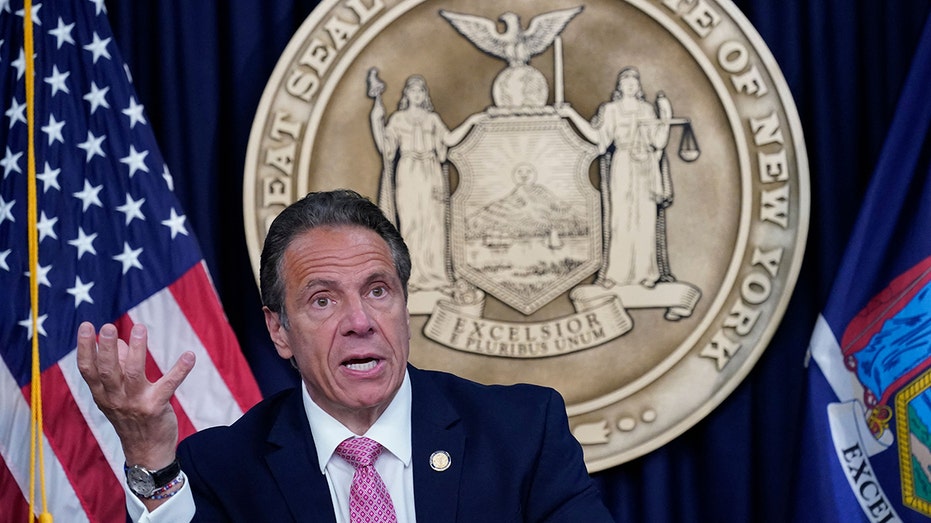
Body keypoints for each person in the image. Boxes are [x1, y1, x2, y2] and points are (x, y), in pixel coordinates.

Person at [77, 189, 614, 522]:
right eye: (323, 299)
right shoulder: (223, 468)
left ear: (404, 305)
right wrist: (150, 457)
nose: (360, 321)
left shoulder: (521, 432)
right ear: (279, 332)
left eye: (378, 290)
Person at [558, 67, 672, 288]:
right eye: (626, 82)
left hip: (645, 166)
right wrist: (571, 115)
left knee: (645, 219)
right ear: (619, 87)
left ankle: (647, 273)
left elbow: (658, 142)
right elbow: (598, 138)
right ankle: (617, 274)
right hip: (623, 163)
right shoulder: (611, 110)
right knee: (620, 219)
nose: (630, 85)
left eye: (634, 82)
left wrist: (665, 118)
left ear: (638, 87)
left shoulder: (647, 110)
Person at [369, 75, 484, 293]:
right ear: (407, 95)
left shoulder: (432, 119)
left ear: (425, 95)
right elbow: (386, 147)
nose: (417, 95)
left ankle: (436, 276)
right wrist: (376, 119)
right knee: (412, 223)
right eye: (413, 91)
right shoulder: (398, 120)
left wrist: (472, 121)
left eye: (421, 91)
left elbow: (448, 140)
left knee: (433, 224)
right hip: (409, 172)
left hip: (430, 172)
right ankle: (412, 278)